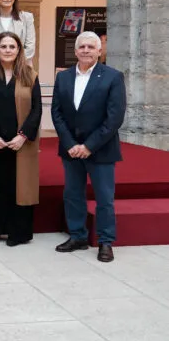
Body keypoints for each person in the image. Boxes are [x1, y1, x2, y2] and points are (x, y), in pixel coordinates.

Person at [51, 31, 126, 263]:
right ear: (75, 51)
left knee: (104, 198)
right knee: (73, 194)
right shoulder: (63, 77)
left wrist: (89, 146)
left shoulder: (113, 77)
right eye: (82, 47)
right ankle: (78, 236)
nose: (86, 50)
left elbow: (114, 117)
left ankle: (105, 241)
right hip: (71, 150)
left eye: (90, 47)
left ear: (99, 51)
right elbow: (57, 113)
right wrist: (71, 144)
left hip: (100, 149)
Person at [0, 32, 41, 246]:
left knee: (20, 186)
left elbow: (37, 110)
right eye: (3, 46)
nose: (7, 50)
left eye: (12, 46)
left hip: (21, 143)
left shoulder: (30, 75)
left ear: (19, 50)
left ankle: (18, 233)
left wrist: (22, 136)